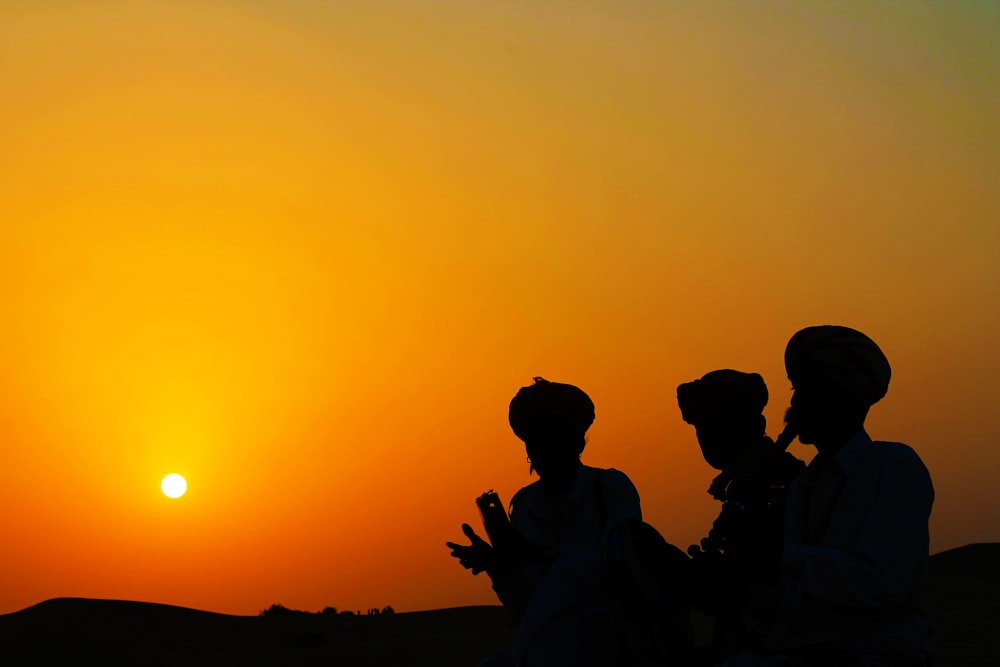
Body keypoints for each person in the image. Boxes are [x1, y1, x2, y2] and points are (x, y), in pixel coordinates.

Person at [761, 325, 934, 666]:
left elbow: (882, 584)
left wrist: (780, 556)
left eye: (807, 389)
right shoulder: (803, 486)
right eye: (795, 388)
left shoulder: (896, 467)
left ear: (843, 397)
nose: (795, 402)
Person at [446, 377, 644, 665]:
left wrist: (538, 554)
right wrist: (498, 568)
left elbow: (625, 573)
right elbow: (526, 607)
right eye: (533, 440)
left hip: (608, 644)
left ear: (577, 440)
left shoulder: (609, 488)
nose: (541, 448)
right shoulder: (524, 506)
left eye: (551, 437)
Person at [677, 370, 805, 662]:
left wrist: (724, 587)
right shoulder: (746, 483)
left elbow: (792, 593)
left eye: (707, 428)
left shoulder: (784, 483)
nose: (703, 440)